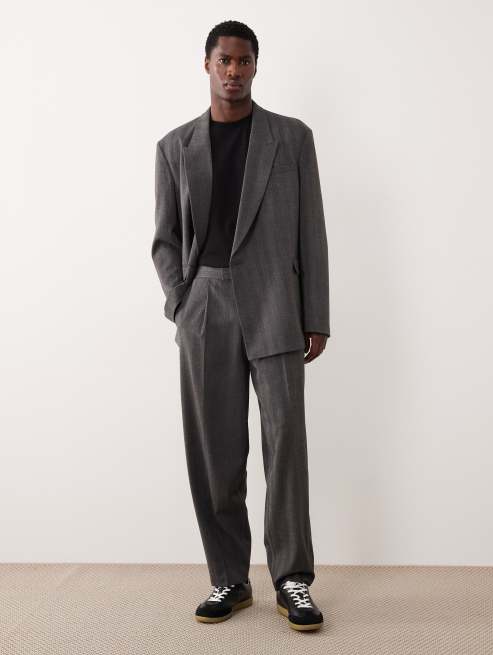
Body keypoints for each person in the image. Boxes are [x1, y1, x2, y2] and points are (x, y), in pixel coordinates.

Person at [151, 20, 330, 632]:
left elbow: (311, 230)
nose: (234, 70)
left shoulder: (292, 138)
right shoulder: (174, 147)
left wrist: (315, 315)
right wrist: (182, 303)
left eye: (244, 60)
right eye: (224, 60)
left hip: (278, 302)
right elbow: (165, 240)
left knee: (286, 446)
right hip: (206, 305)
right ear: (207, 64)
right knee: (216, 451)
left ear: (256, 65)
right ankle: (229, 575)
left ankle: (293, 579)